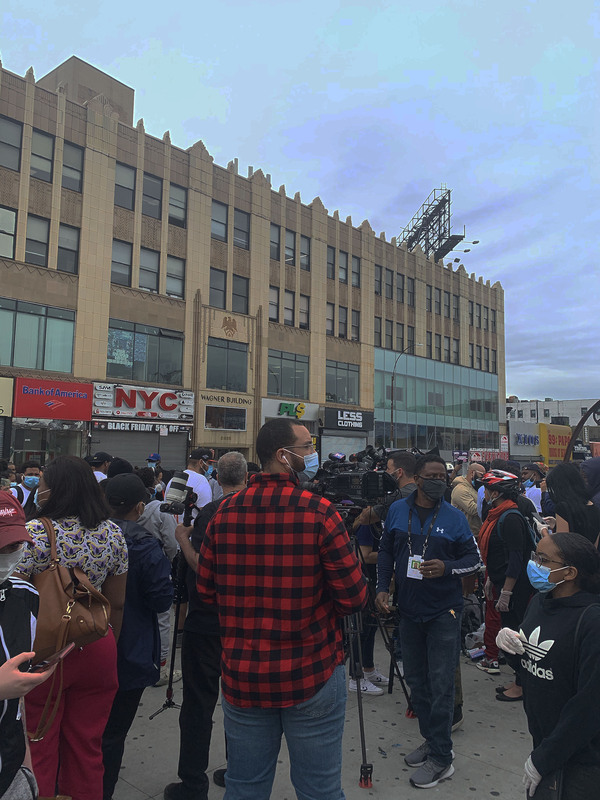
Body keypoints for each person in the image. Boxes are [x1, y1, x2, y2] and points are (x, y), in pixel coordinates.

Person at [196, 419, 367, 800]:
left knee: (244, 787)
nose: (313, 454)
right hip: (312, 673)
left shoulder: (223, 514)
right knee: (320, 789)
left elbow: (205, 591)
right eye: (307, 447)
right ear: (282, 455)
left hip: (244, 676)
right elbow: (354, 599)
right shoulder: (321, 512)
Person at [17, 455, 128, 800]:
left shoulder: (35, 533)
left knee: (38, 742)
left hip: (44, 648)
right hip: (96, 642)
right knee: (87, 745)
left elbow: (17, 598)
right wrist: (109, 641)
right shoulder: (113, 533)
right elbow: (117, 602)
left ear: (54, 489)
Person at [376, 453, 481, 789]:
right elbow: (386, 552)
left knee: (441, 684)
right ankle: (431, 739)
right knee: (416, 682)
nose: (439, 481)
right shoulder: (397, 510)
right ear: (417, 478)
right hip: (408, 611)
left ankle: (442, 757)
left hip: (443, 613)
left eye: (443, 477)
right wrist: (381, 587)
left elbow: (474, 560)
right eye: (432, 476)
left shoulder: (454, 517)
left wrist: (447, 568)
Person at [164, 452, 248, 800]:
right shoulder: (254, 511)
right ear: (245, 476)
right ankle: (239, 772)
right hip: (243, 623)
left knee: (198, 704)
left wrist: (183, 539)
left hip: (207, 621)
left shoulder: (212, 514)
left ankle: (193, 783)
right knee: (239, 703)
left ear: (217, 478)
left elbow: (202, 567)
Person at [496, 533, 600, 798]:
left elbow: (589, 704)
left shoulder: (591, 620)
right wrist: (509, 646)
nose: (534, 564)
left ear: (570, 572)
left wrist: (544, 758)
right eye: (535, 556)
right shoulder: (540, 602)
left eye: (543, 560)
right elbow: (529, 664)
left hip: (581, 757)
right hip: (542, 738)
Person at [102, 474, 173, 800]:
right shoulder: (145, 546)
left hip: (87, 644)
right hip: (131, 649)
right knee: (113, 734)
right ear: (141, 507)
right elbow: (161, 600)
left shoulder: (89, 537)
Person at [0, 493, 55, 800]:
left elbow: (17, 701)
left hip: (10, 770)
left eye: (14, 546)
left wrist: (27, 768)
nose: (8, 555)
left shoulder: (24, 597)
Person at [477, 470, 532, 695]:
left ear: (496, 493)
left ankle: (522, 684)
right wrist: (492, 577)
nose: (485, 494)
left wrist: (507, 592)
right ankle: (519, 680)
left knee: (515, 635)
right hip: (502, 582)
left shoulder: (510, 518)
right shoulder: (497, 515)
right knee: (508, 631)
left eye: (487, 490)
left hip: (516, 588)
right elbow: (497, 554)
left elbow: (516, 558)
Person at [353, 450, 417, 528]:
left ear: (399, 472)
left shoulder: (397, 497)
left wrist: (372, 496)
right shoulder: (419, 490)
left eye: (388, 469)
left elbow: (364, 519)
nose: (385, 472)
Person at [545, 462, 600, 546]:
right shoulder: (594, 507)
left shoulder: (562, 508)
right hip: (590, 553)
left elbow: (561, 545)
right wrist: (557, 524)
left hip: (570, 554)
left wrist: (544, 531)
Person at [165, 449, 212, 520]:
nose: (211, 467)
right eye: (209, 463)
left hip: (172, 525)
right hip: (192, 525)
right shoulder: (201, 481)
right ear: (201, 462)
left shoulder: (174, 480)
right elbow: (205, 512)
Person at [451, 461, 485, 539]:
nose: (482, 479)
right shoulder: (460, 489)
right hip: (465, 535)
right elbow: (472, 509)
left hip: (476, 533)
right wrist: (489, 504)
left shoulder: (474, 488)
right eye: (481, 475)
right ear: (472, 473)